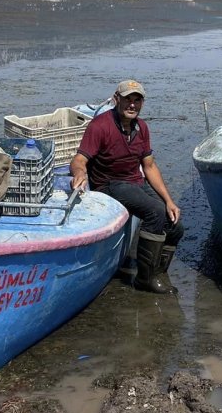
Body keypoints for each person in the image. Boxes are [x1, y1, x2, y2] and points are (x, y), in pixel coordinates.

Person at [70, 79, 183, 294]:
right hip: (109, 184)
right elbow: (79, 160)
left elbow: (149, 167)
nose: (132, 105)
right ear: (116, 99)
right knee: (154, 212)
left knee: (175, 223)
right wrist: (79, 174)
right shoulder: (100, 126)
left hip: (134, 182)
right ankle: (144, 278)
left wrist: (169, 201)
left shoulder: (142, 127)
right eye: (127, 100)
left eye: (137, 100)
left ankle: (158, 271)